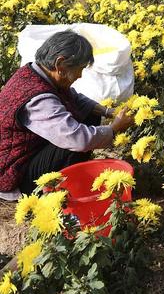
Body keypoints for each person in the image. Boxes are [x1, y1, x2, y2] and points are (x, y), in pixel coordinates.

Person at [0, 31, 134, 198]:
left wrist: (108, 112)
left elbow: (75, 97)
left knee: (88, 115)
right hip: (16, 171)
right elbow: (77, 139)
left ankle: (73, 173)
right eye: (80, 69)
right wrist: (114, 129)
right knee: (76, 143)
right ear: (60, 64)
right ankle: (58, 189)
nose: (80, 75)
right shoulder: (38, 100)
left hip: (29, 151)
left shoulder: (36, 73)